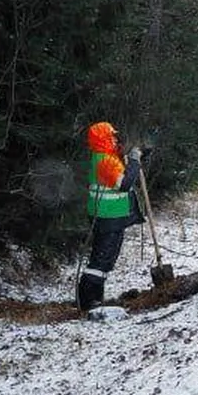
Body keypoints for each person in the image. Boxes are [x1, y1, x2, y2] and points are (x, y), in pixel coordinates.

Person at [76, 121, 145, 312]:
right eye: (112, 136)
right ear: (104, 139)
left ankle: (95, 300)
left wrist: (137, 157)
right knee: (101, 259)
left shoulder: (107, 157)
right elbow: (124, 183)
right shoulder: (105, 161)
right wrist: (134, 162)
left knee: (106, 259)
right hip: (107, 216)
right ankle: (88, 301)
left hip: (110, 216)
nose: (116, 139)